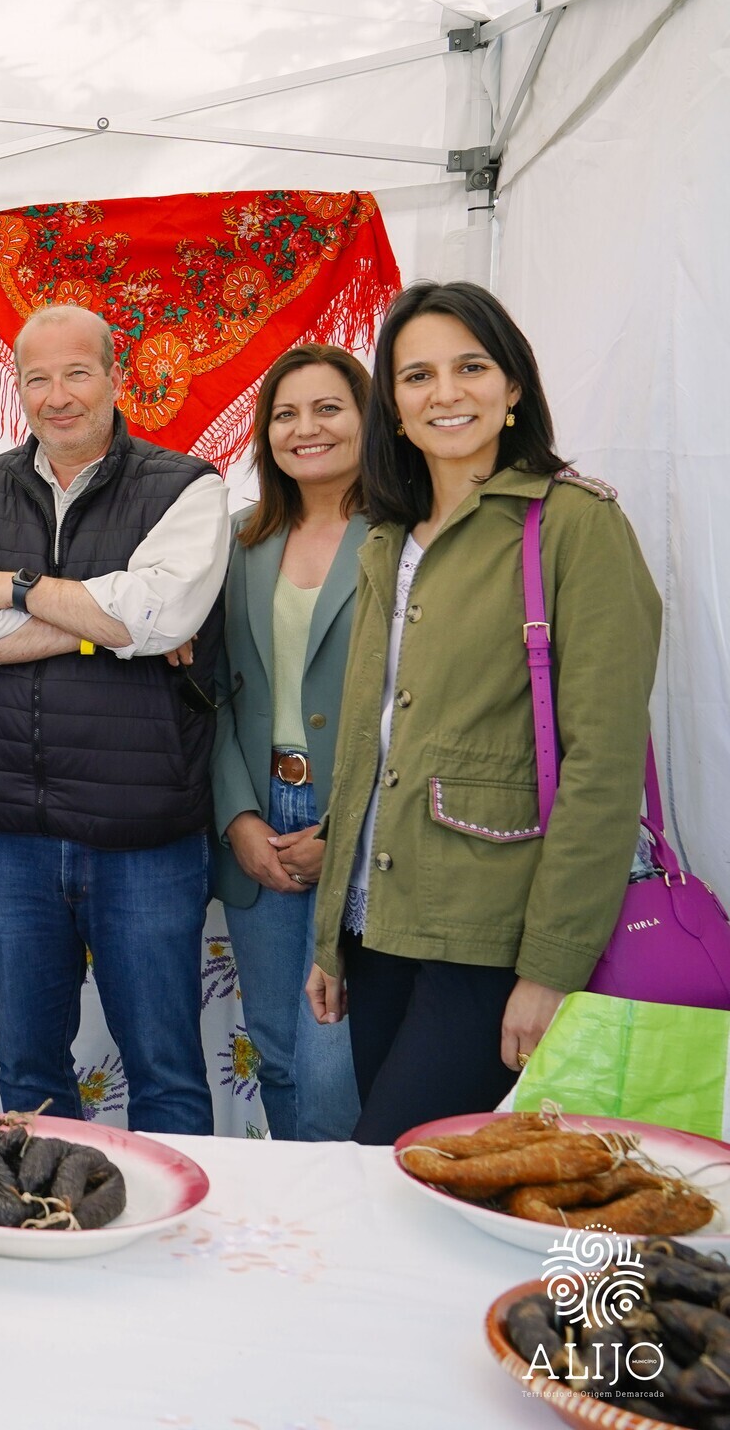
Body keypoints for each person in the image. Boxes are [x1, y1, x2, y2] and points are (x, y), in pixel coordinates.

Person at [306, 282, 661, 1144]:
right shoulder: (386, 537)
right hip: (377, 920)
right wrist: (330, 936)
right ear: (394, 408)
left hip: (493, 930)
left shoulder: (575, 523)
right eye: (417, 376)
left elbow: (604, 762)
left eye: (470, 367)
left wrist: (551, 967)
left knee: (395, 1158)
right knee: (408, 1176)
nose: (446, 393)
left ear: (513, 388)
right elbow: (367, 741)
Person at [0, 303, 231, 1136]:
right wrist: (107, 627)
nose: (57, 396)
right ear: (18, 389)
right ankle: (45, 1214)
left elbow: (163, 615)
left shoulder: (187, 487)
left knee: (165, 1070)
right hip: (11, 837)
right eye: (38, 379)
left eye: (77, 373)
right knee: (27, 1071)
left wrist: (12, 589)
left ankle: (174, 1220)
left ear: (116, 378)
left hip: (144, 835)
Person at [209, 345, 371, 1142]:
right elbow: (210, 692)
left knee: (333, 1054)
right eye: (285, 414)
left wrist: (345, 829)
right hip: (263, 817)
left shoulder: (405, 538)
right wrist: (238, 816)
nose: (306, 428)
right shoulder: (238, 539)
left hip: (360, 817)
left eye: (328, 408)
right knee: (275, 1050)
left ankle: (344, 1211)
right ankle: (296, 1206)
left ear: (368, 419)